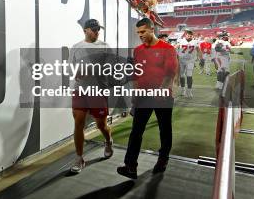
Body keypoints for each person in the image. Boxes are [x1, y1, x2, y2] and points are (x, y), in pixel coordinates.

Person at [117, 18, 178, 179]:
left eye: (143, 31)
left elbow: (170, 74)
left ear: (152, 29)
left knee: (164, 130)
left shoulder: (168, 48)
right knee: (136, 131)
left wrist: (160, 92)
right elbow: (137, 75)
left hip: (162, 97)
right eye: (138, 32)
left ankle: (163, 159)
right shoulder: (137, 50)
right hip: (143, 97)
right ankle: (130, 166)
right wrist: (135, 99)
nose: (140, 35)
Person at [68, 19, 113, 173]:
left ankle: (108, 140)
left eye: (98, 29)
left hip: (98, 91)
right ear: (85, 30)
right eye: (93, 29)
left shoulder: (105, 47)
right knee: (78, 123)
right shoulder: (76, 47)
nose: (96, 31)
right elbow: (70, 69)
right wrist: (77, 73)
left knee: (101, 125)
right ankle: (79, 158)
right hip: (80, 90)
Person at [176, 30, 200, 98]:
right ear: (185, 35)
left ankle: (189, 91)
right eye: (188, 35)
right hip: (181, 60)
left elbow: (198, 50)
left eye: (190, 36)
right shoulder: (181, 41)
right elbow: (175, 47)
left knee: (189, 76)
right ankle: (183, 90)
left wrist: (201, 58)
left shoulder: (195, 42)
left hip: (190, 61)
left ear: (192, 36)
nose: (189, 37)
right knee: (181, 75)